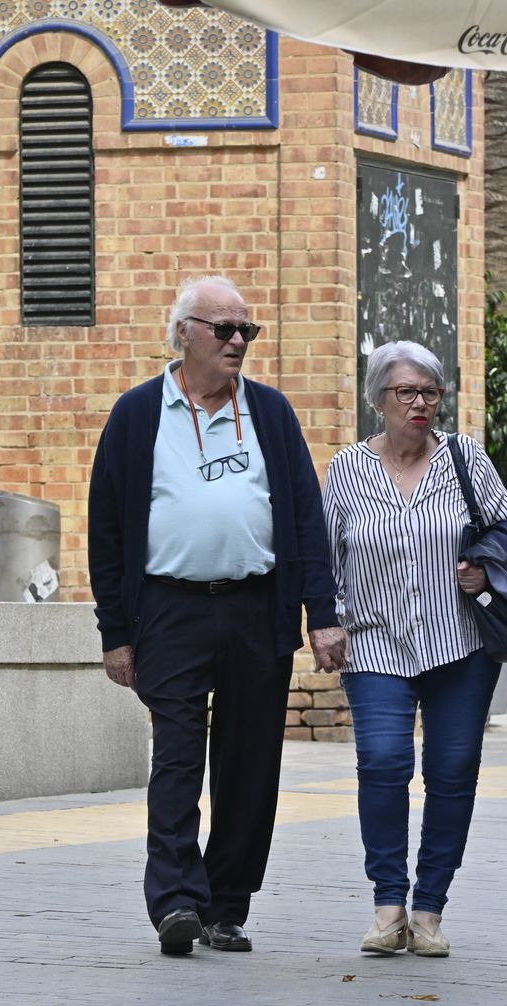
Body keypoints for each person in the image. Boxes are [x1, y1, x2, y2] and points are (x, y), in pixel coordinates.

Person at [87, 275, 349, 957]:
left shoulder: (271, 412)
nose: (238, 341)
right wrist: (115, 632)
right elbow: (106, 529)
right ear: (183, 333)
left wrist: (322, 612)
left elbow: (305, 518)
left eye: (246, 330)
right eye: (224, 329)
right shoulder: (138, 414)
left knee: (250, 765)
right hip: (169, 607)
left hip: (257, 605)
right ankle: (176, 900)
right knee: (177, 756)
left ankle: (225, 906)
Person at [323, 339, 507, 958]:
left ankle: (429, 909)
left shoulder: (466, 461)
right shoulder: (348, 469)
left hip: (460, 643)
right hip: (374, 642)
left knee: (452, 772)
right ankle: (389, 906)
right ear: (378, 398)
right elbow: (325, 556)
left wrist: (486, 573)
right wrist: (325, 622)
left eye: (430, 392)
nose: (420, 404)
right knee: (383, 763)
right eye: (406, 392)